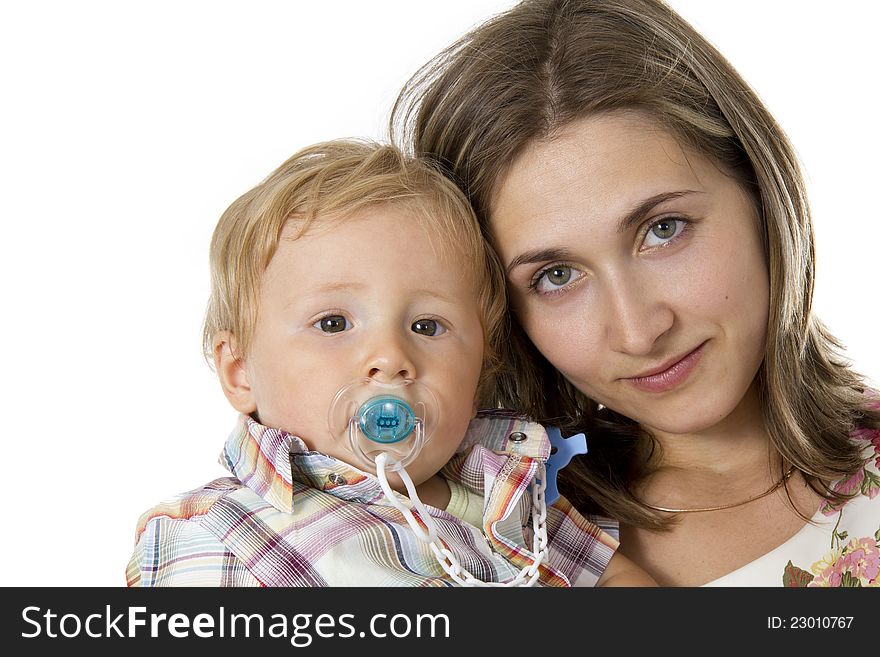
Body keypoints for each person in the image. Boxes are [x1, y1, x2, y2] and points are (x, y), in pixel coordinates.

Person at [391, 0, 880, 586]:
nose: (638, 330)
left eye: (662, 230)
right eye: (555, 275)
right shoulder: (462, 551)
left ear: (759, 193)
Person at [126, 139, 654, 587]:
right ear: (240, 372)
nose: (390, 358)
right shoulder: (210, 534)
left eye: (427, 326)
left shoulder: (513, 484)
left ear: (483, 368)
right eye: (333, 324)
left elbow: (611, 578)